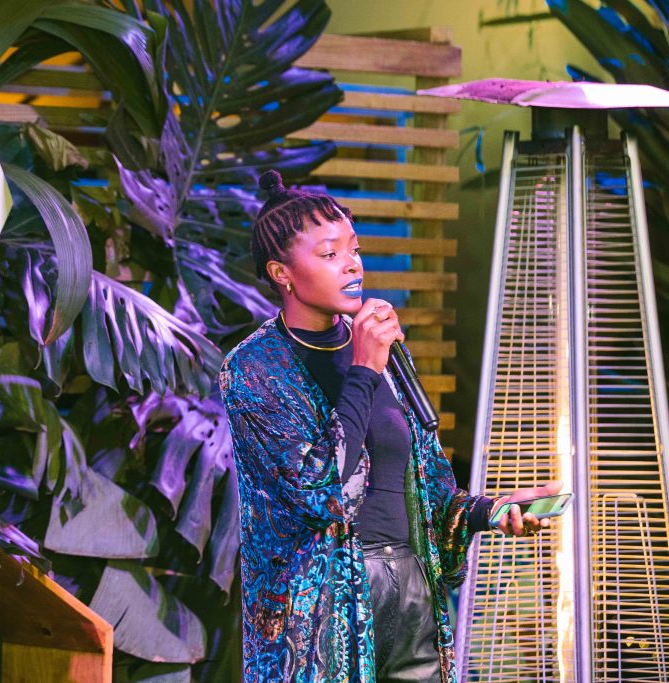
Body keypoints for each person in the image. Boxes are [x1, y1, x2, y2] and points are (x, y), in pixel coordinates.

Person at [219, 170, 561, 683]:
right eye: (330, 254)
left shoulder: (384, 354)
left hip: (411, 588)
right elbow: (316, 488)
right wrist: (363, 369)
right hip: (321, 609)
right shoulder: (254, 369)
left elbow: (431, 491)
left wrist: (493, 511)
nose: (352, 264)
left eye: (354, 249)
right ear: (282, 273)